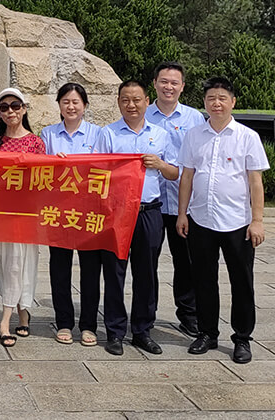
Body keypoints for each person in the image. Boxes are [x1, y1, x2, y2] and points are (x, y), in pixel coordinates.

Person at [177, 76, 268, 364]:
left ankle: (242, 338)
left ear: (232, 102)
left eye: (222, 98)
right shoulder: (194, 135)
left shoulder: (247, 136)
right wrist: (182, 213)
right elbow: (187, 176)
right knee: (204, 280)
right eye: (210, 98)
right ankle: (207, 333)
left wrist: (257, 220)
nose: (216, 103)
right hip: (201, 218)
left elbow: (255, 182)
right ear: (204, 103)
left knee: (242, 281)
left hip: (238, 222)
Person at [97, 80, 179, 356]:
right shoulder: (108, 134)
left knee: (147, 273)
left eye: (136, 100)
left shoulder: (160, 134)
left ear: (146, 102)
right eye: (125, 100)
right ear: (118, 102)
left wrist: (160, 164)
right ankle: (115, 331)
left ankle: (143, 330)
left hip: (149, 212)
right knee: (114, 272)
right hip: (117, 213)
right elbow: (97, 173)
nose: (131, 105)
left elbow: (174, 173)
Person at [39, 83, 104, 346]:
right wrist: (53, 163)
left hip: (89, 211)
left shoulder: (98, 134)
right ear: (59, 105)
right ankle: (64, 322)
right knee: (60, 268)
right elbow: (40, 170)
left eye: (76, 102)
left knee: (90, 269)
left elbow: (105, 169)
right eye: (66, 101)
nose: (71, 106)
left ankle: (88, 325)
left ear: (85, 105)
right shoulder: (48, 134)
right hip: (58, 211)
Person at [0, 87, 44, 348]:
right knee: (6, 263)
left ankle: (5, 321)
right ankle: (23, 311)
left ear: (24, 109)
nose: (10, 111)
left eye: (15, 106)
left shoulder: (36, 142)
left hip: (24, 214)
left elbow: (44, 178)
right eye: (4, 107)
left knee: (18, 264)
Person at [146, 62, 206, 338]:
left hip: (186, 204)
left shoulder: (194, 118)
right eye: (163, 81)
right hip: (152, 203)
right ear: (155, 83)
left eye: (174, 83)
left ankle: (189, 315)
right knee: (148, 262)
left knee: (187, 262)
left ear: (182, 87)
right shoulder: (144, 115)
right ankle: (146, 315)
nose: (168, 87)